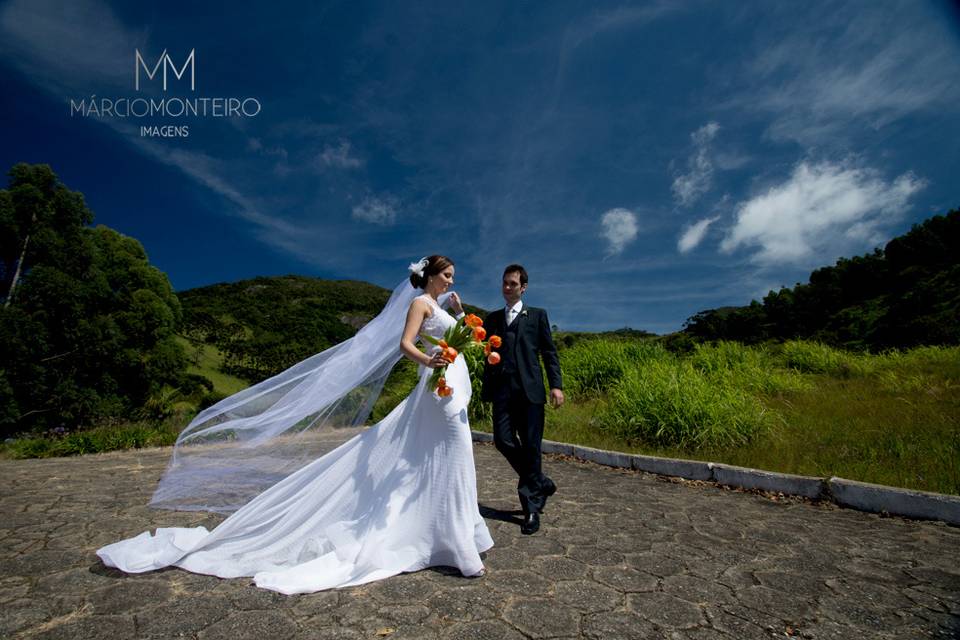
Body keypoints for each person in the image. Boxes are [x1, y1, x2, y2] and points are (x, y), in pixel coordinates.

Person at [96, 255, 493, 594]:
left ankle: (451, 534)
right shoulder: (420, 304)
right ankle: (457, 544)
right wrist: (429, 360)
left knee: (440, 457)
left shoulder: (444, 307)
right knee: (452, 451)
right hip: (437, 385)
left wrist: (459, 315)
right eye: (446, 274)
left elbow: (461, 339)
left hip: (455, 385)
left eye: (453, 276)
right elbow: (406, 344)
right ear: (429, 275)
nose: (451, 280)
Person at [481, 264, 563, 535]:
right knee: (502, 440)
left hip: (531, 393)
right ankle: (540, 482)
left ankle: (530, 509)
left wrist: (556, 386)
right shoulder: (492, 319)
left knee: (530, 447)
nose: (507, 288)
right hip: (502, 392)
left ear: (523, 287)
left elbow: (549, 353)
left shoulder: (537, 316)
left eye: (513, 284)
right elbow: (479, 344)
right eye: (504, 283)